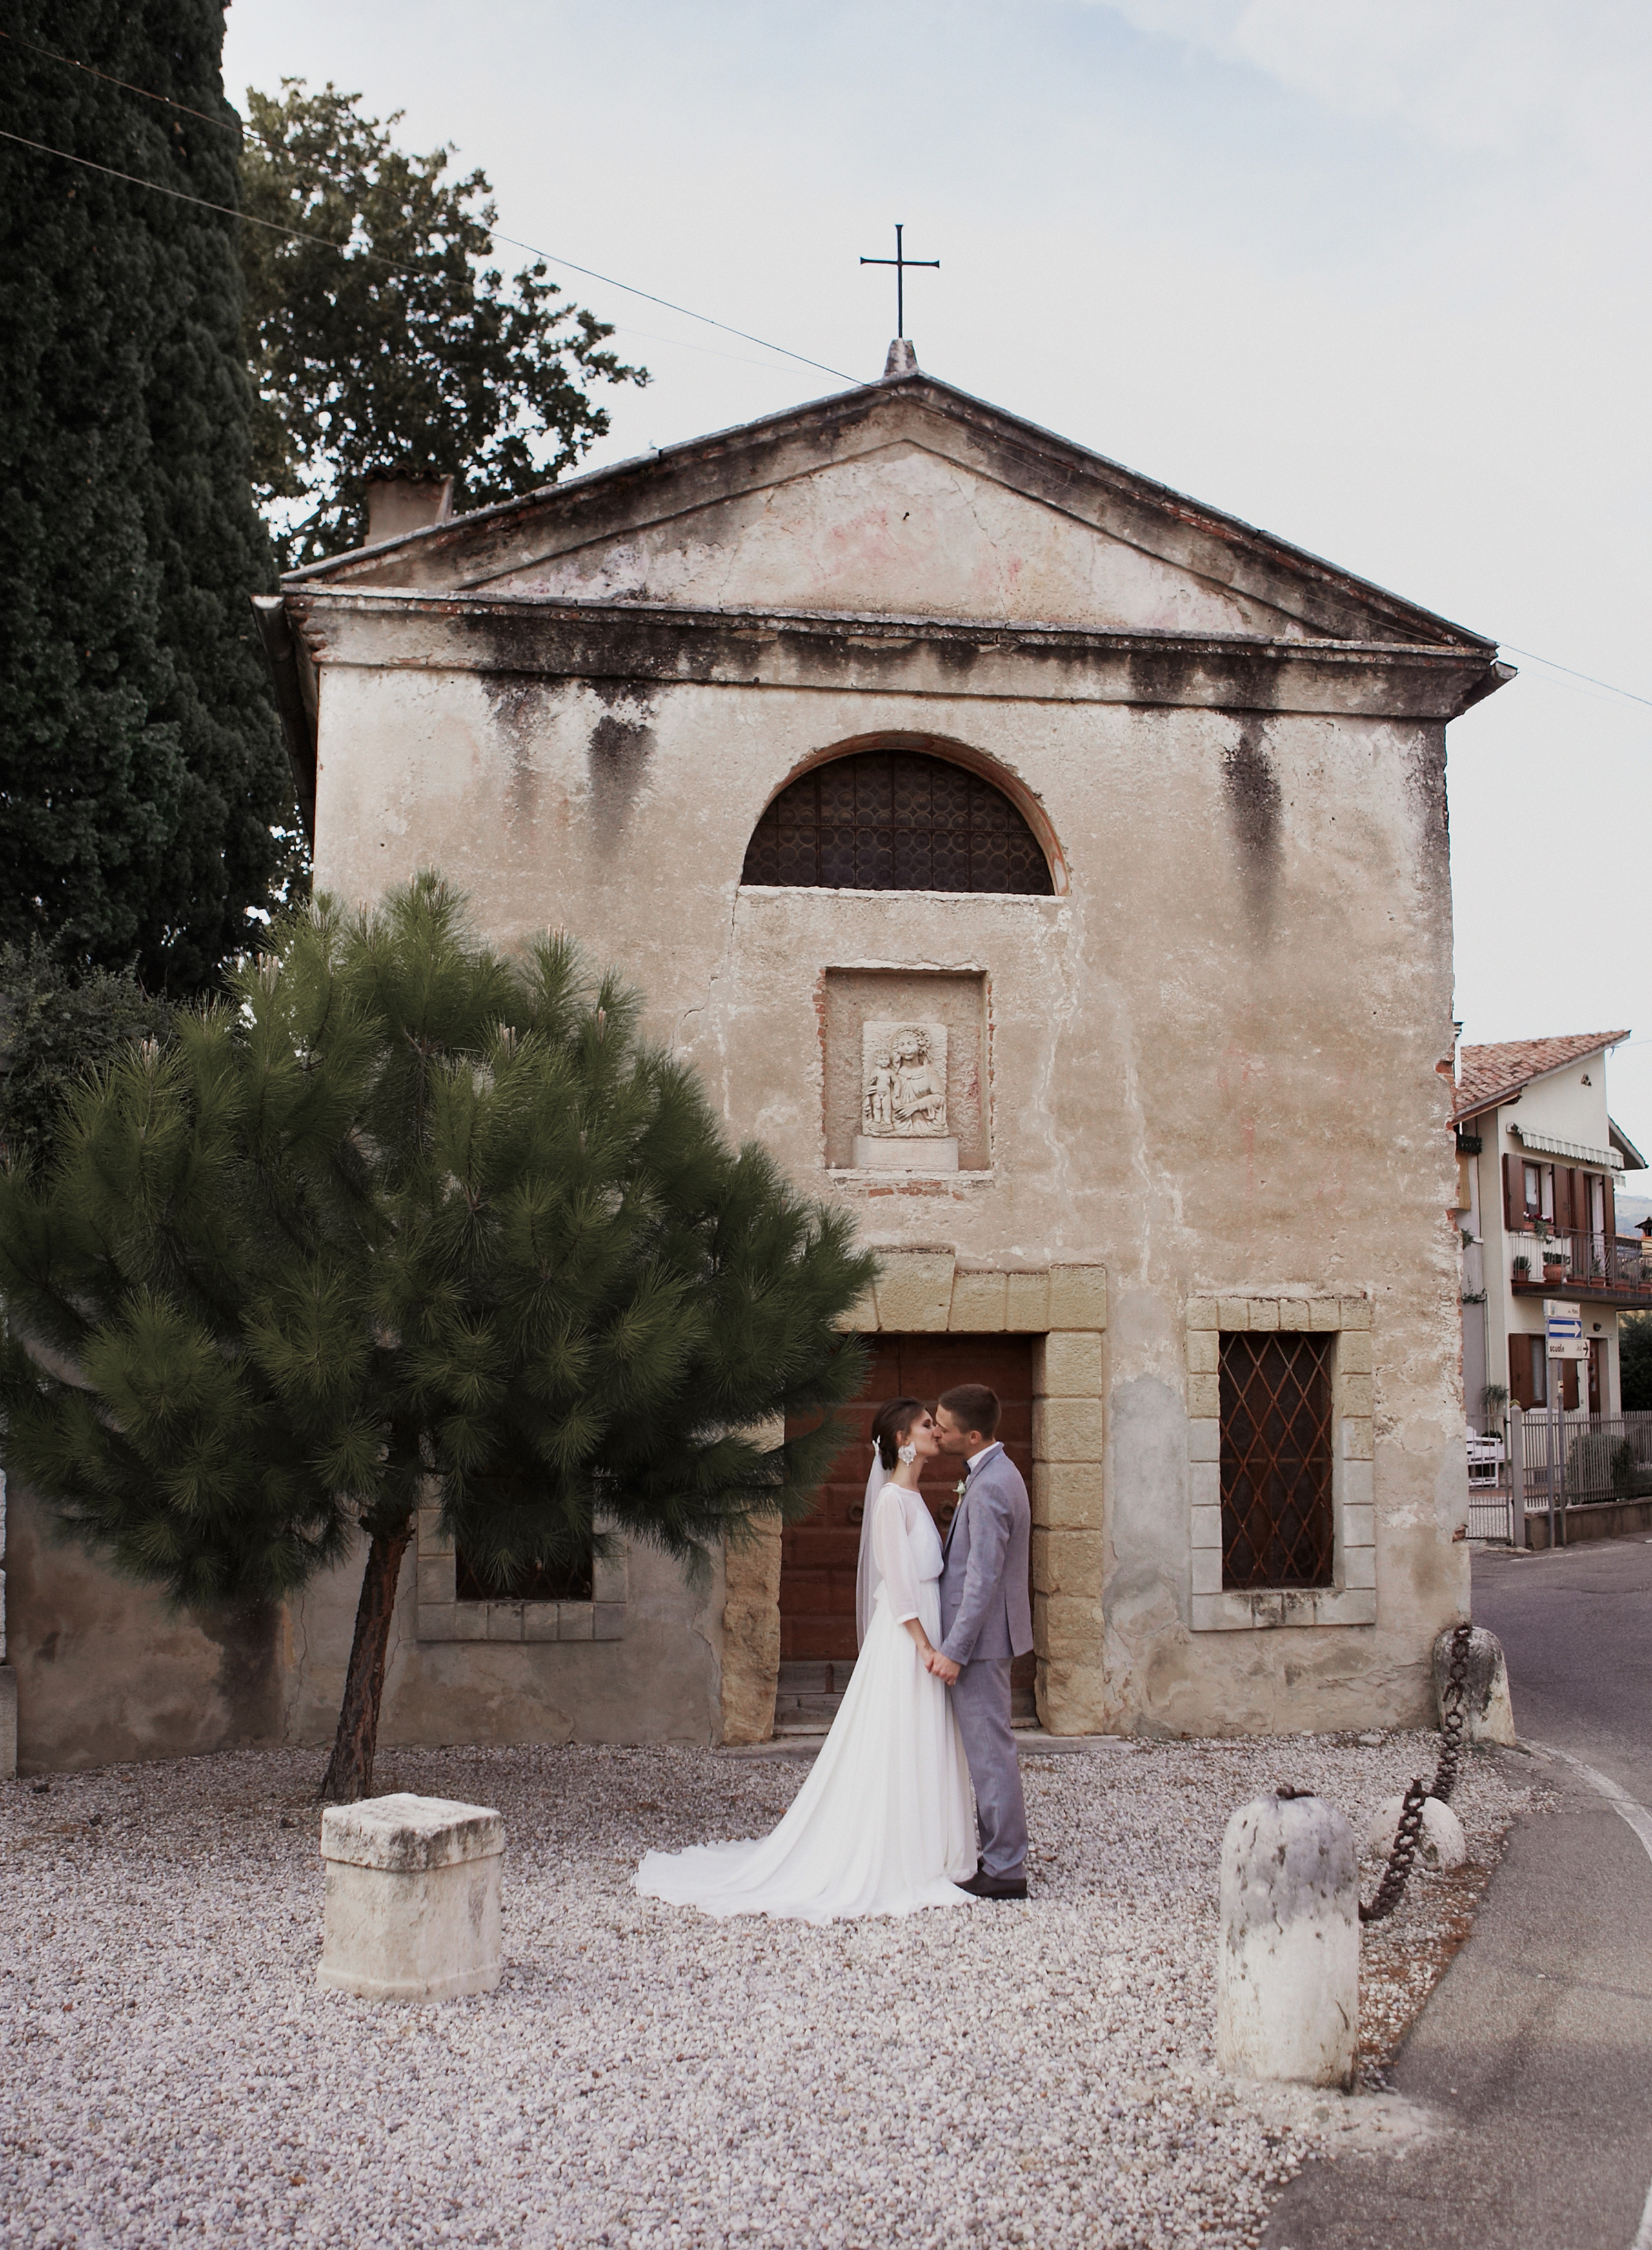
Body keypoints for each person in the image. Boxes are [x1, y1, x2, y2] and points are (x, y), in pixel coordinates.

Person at [634, 1399, 978, 1921]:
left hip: (927, 1626)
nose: (936, 1430)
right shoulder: (890, 1502)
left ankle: (932, 1846)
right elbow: (900, 1585)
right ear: (903, 1441)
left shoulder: (914, 1495)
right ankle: (896, 1853)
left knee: (923, 1735)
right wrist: (927, 1646)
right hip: (908, 1638)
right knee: (900, 1736)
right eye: (927, 1425)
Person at [929, 1384, 1034, 1900]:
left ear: (972, 1436)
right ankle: (998, 1855)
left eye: (944, 1427)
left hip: (983, 1641)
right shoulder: (992, 1473)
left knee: (991, 1753)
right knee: (990, 1749)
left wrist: (954, 1650)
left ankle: (1006, 1869)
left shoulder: (991, 1486)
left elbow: (982, 1578)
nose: (936, 1431)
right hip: (988, 1638)